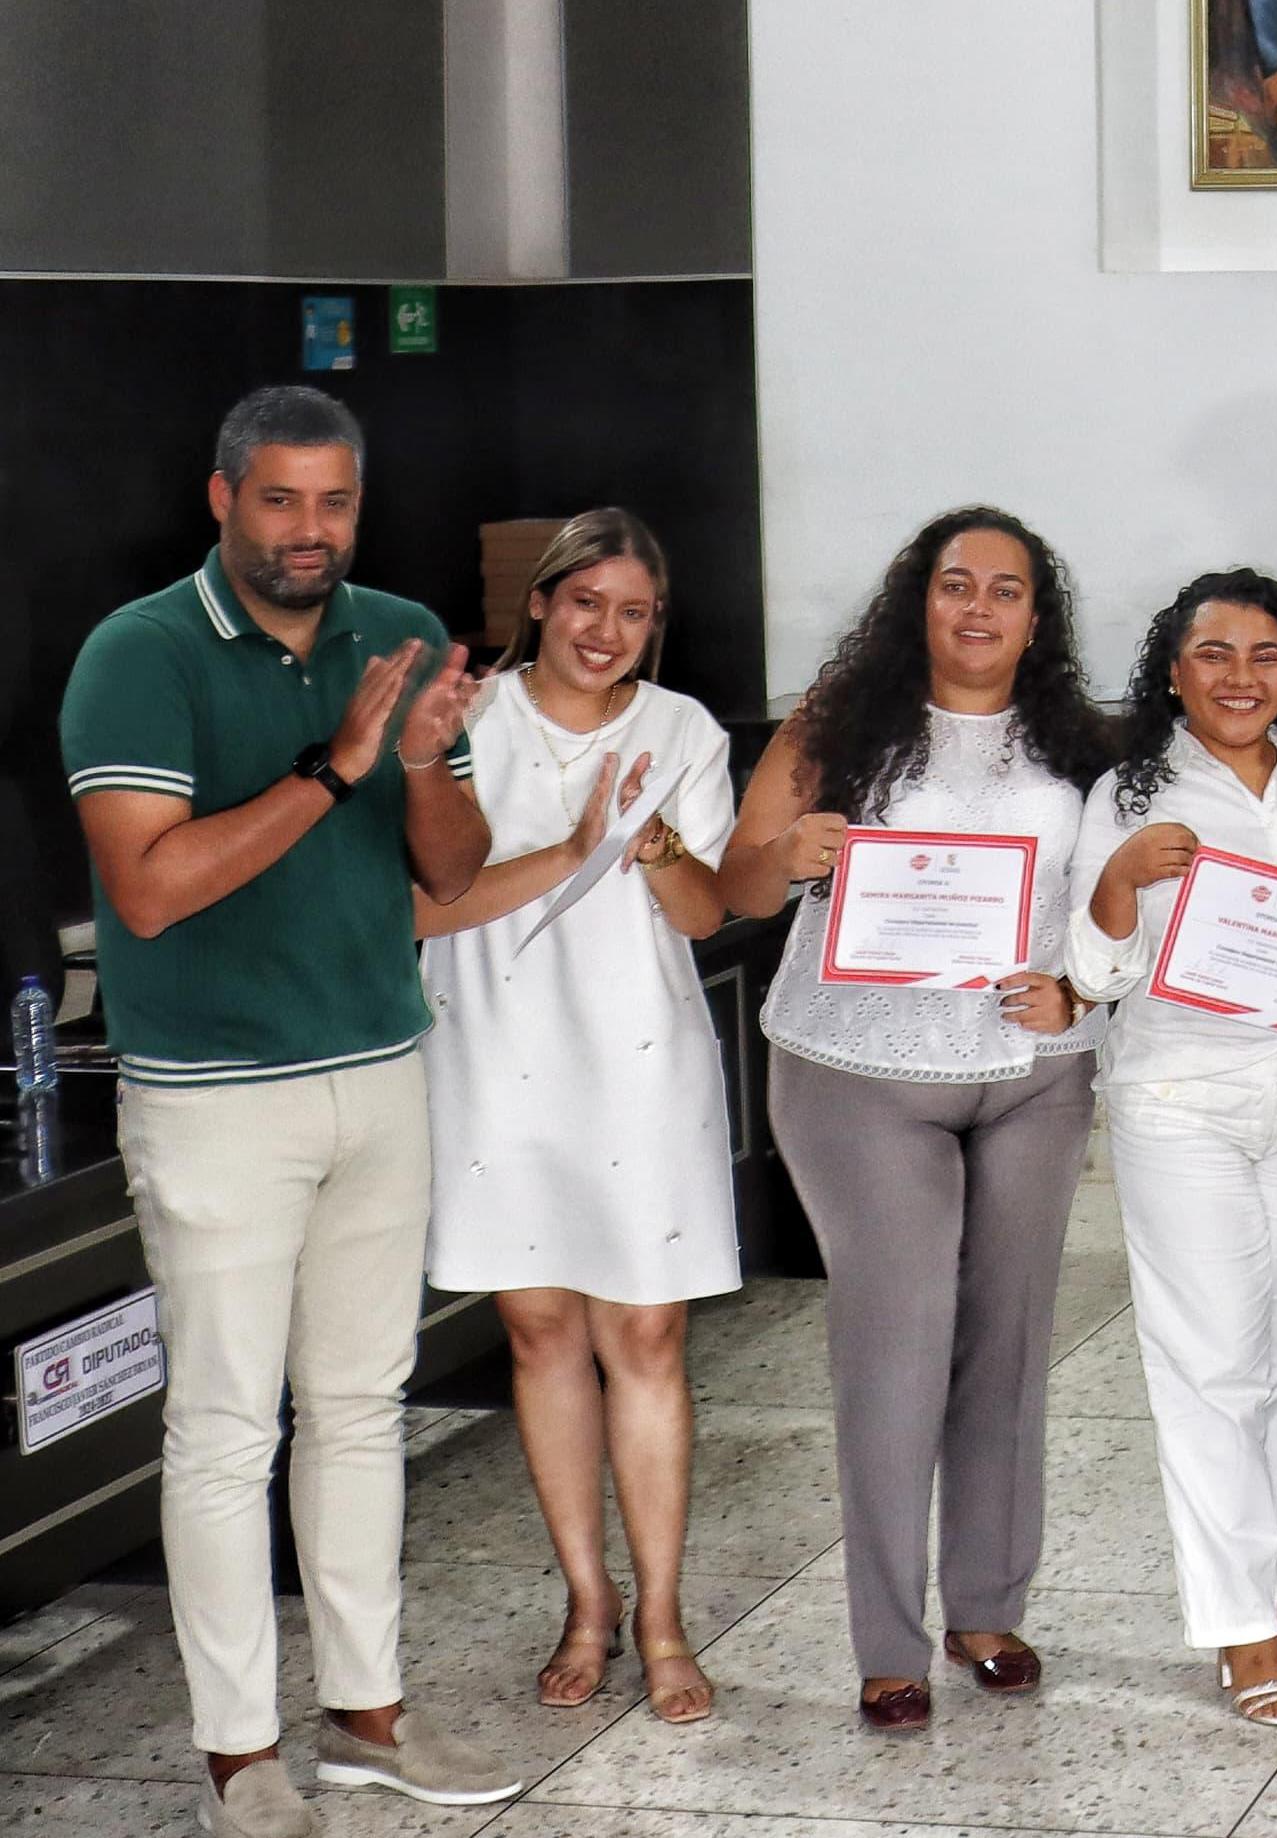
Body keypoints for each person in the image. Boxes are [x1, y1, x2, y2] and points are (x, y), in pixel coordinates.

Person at [61, 386, 518, 1834]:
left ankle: (370, 1720)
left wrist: (430, 750)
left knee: (362, 1410)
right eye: (280, 501)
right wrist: (335, 768)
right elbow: (151, 882)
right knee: (220, 1429)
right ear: (222, 498)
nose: (309, 531)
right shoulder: (135, 656)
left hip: (380, 1069)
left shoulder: (394, 628)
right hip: (212, 1098)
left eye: (334, 504)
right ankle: (240, 1756)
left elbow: (447, 873)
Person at [722, 506, 1115, 1730]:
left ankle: (986, 1605)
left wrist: (1084, 990)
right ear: (920, 601)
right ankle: (887, 1640)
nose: (980, 607)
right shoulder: (835, 729)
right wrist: (791, 851)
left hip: (1033, 1070)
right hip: (859, 1068)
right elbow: (729, 885)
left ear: (1035, 618)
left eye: (1006, 589)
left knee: (1007, 1345)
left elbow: (1114, 905)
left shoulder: (1084, 746)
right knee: (895, 1349)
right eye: (956, 584)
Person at [410, 510, 736, 1729]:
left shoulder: (684, 729)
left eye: (636, 611)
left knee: (644, 1335)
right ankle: (586, 1602)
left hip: (639, 1061)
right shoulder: (467, 723)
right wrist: (569, 847)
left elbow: (705, 915)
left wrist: (647, 843)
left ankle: (662, 1614)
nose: (609, 631)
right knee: (541, 1330)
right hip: (493, 1054)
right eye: (587, 602)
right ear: (541, 601)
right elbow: (423, 910)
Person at [1062, 570, 1277, 1727]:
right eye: (1214, 654)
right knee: (1209, 1358)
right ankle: (1239, 1623)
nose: (1239, 677)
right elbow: (1092, 973)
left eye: (1263, 655)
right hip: (1178, 1099)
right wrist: (1116, 881)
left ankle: (1268, 1570)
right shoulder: (1129, 790)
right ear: (1171, 670)